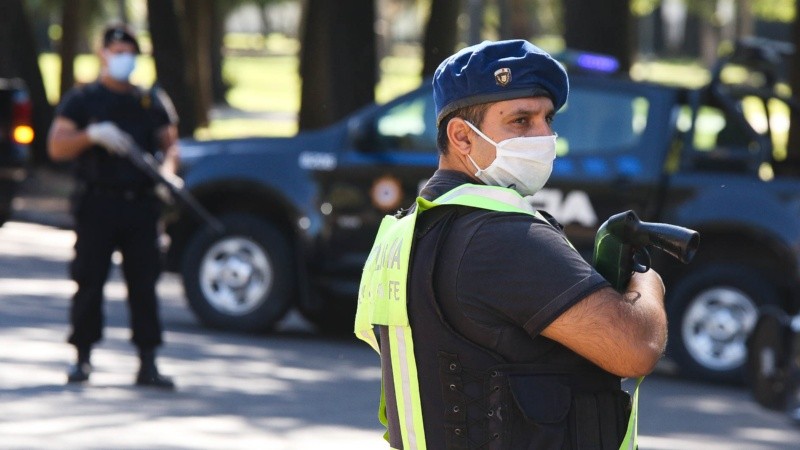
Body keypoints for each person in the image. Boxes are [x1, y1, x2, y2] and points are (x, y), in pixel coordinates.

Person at [354, 39, 667, 449]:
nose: (545, 136)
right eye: (521, 121)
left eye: (548, 119)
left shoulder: (409, 228)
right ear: (462, 137)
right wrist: (647, 284)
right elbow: (634, 348)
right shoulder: (500, 235)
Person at [47, 23, 179, 389]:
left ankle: (148, 361)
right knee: (89, 281)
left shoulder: (150, 100)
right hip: (97, 204)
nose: (123, 57)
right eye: (116, 50)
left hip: (140, 205)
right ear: (102, 53)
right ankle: (82, 357)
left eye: (129, 51)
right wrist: (91, 135)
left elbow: (171, 144)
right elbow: (57, 146)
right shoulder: (83, 99)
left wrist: (168, 176)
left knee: (144, 285)